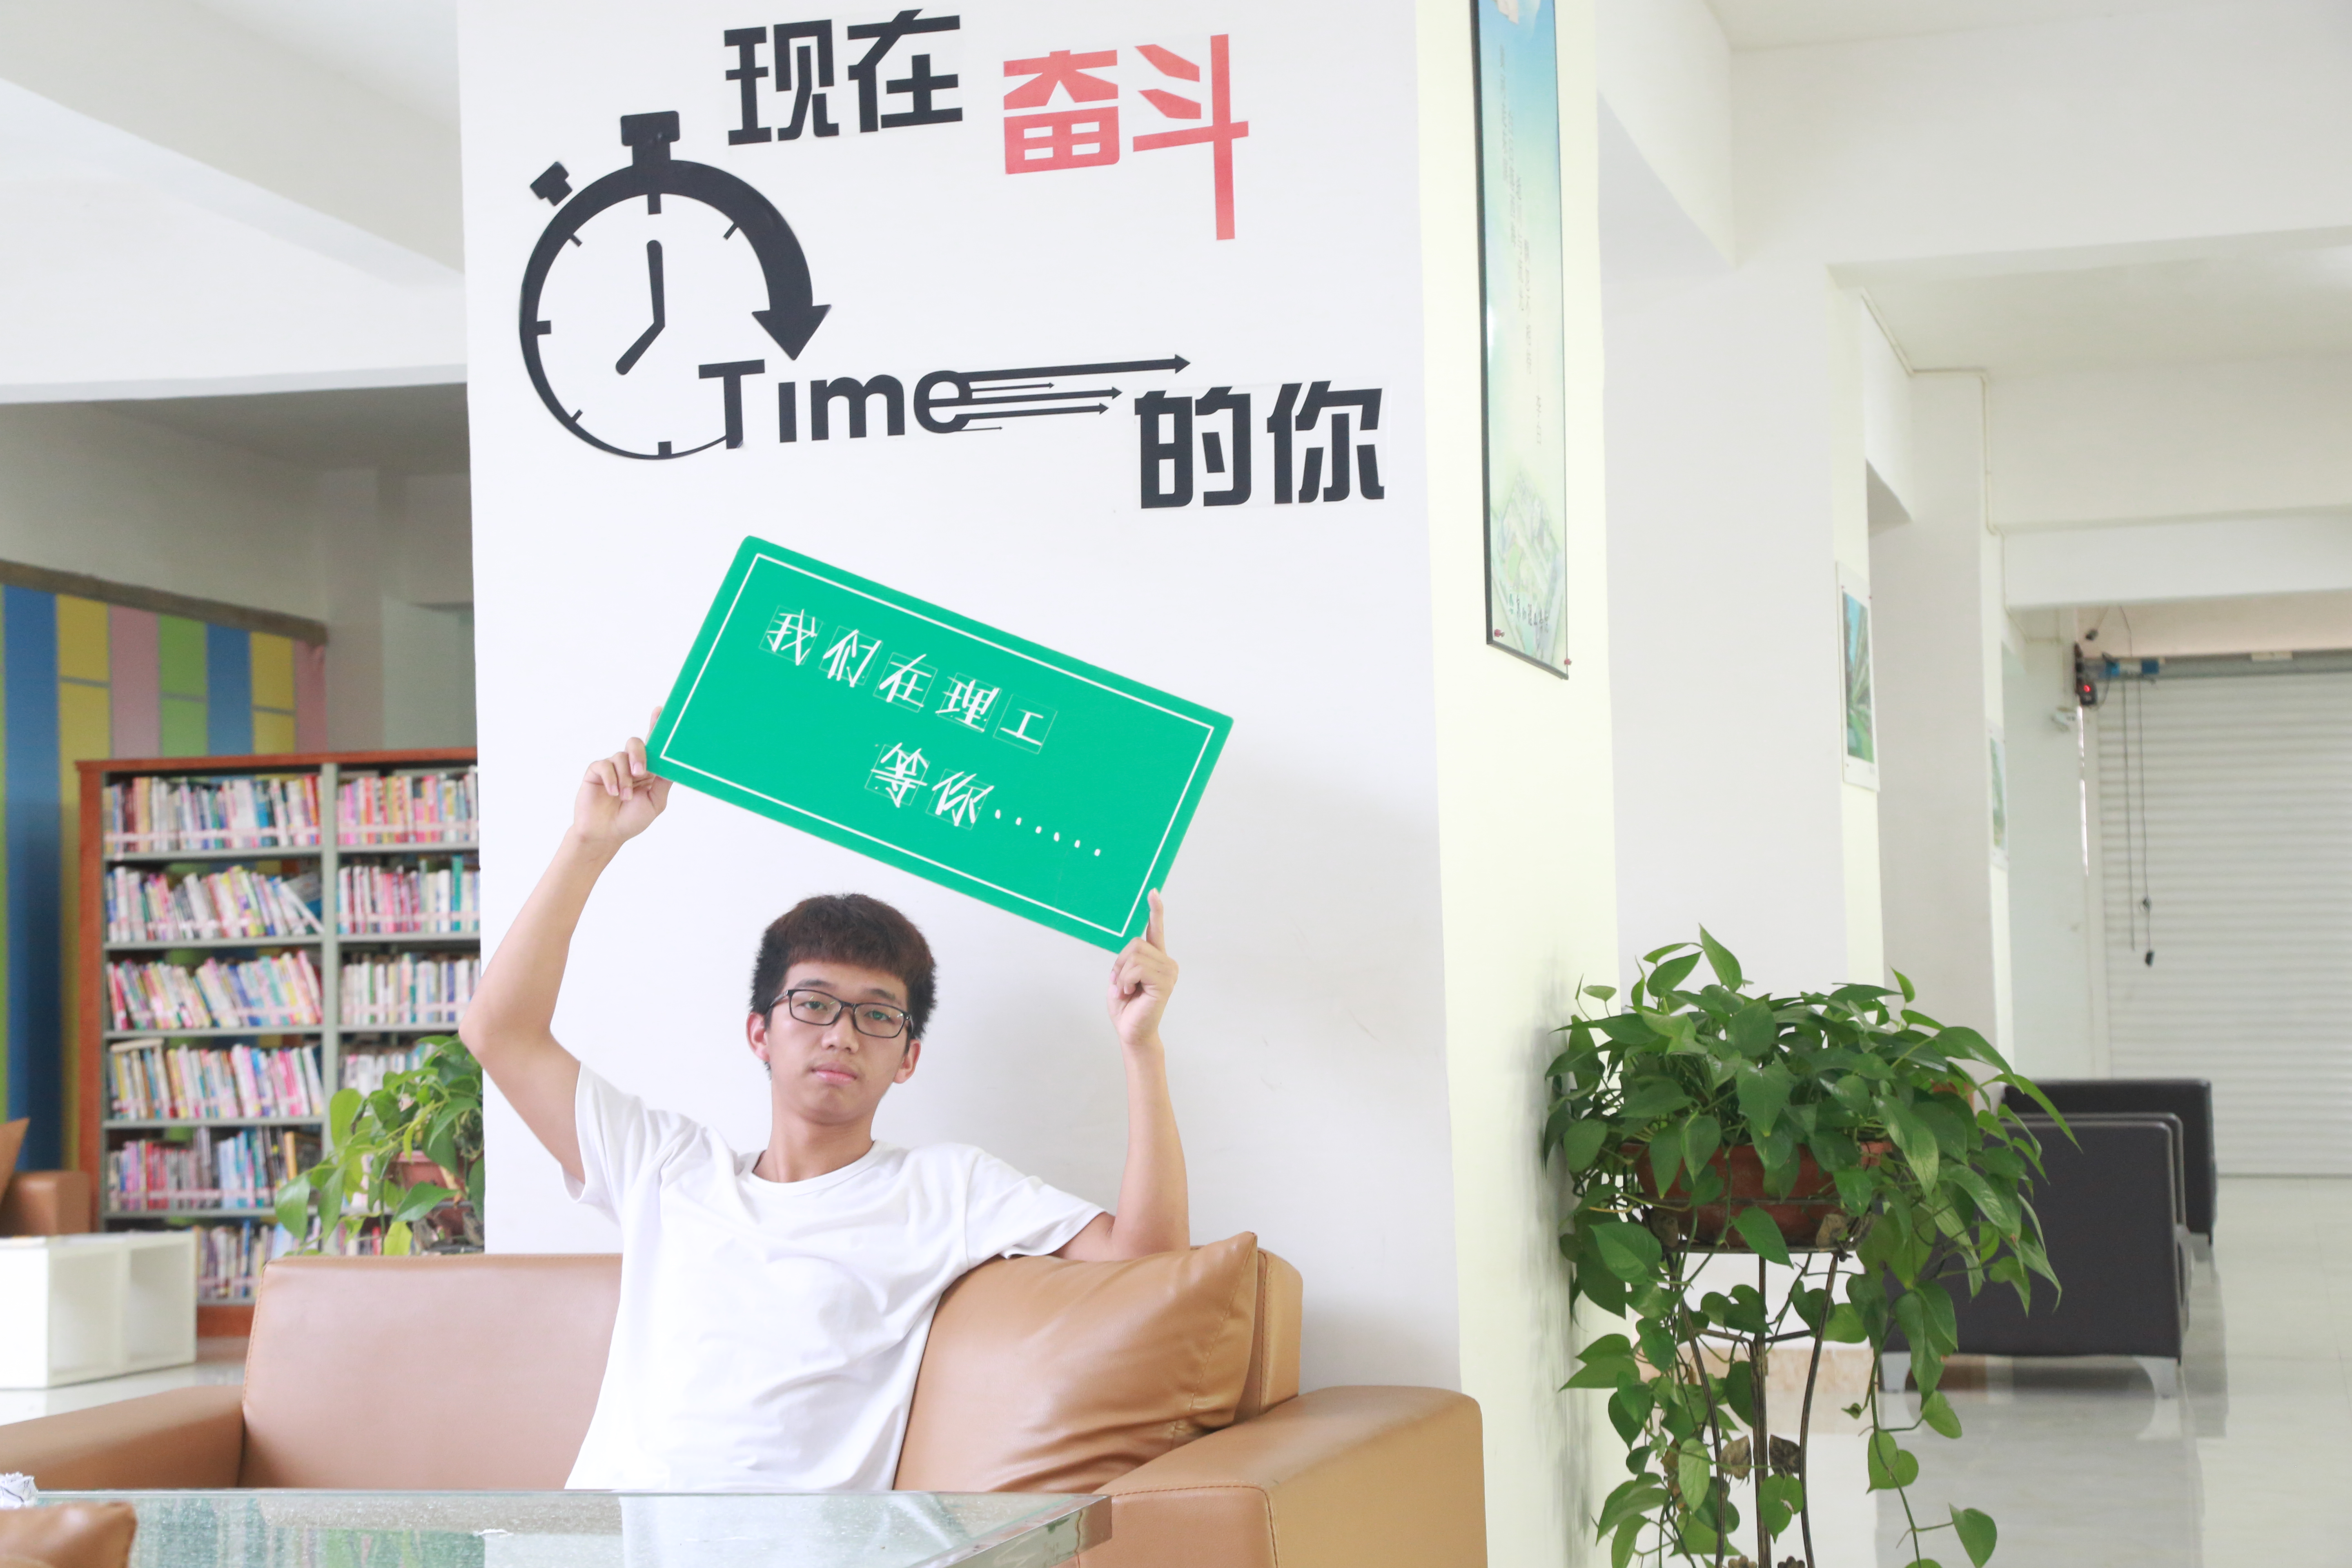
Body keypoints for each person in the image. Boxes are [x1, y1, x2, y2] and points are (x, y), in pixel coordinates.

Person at [459, 719, 1188, 1490]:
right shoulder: (665, 1169)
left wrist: (1141, 1047)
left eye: (877, 1014)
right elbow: (497, 1033)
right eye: (812, 1004)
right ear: (760, 1033)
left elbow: (1148, 1267)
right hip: (606, 1538)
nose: (841, 1034)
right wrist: (590, 844)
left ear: (907, 1058)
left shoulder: (946, 1190)